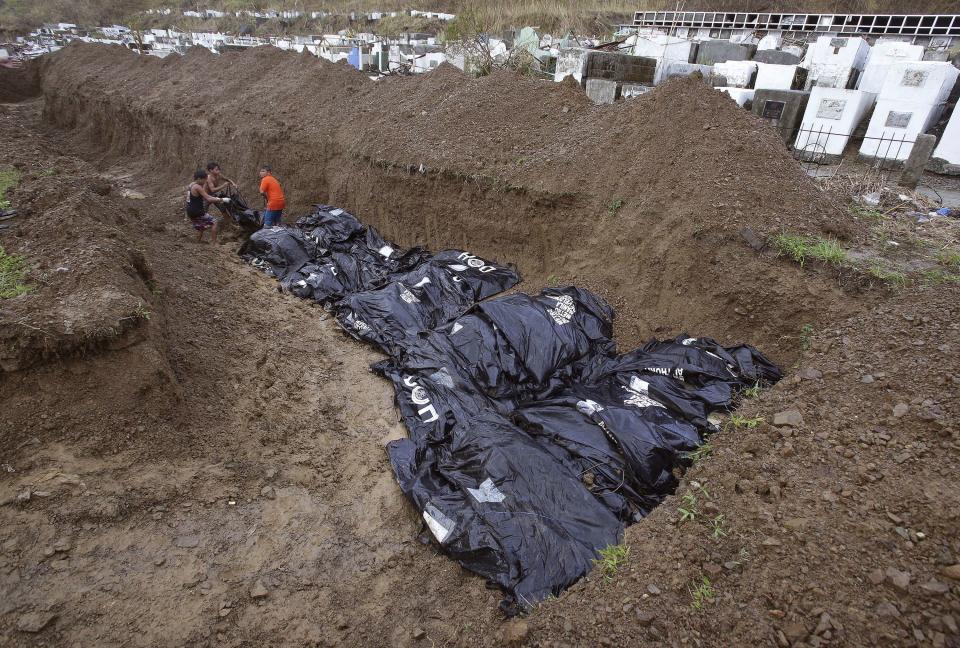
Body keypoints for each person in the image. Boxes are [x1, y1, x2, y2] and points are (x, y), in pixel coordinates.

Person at [186, 169, 229, 243]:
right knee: (214, 222)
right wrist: (222, 199)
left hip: (190, 210)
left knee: (200, 227)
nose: (205, 181)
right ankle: (214, 244)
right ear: (199, 179)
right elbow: (208, 198)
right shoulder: (197, 187)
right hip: (197, 211)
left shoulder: (191, 184)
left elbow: (196, 197)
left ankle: (197, 243)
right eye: (204, 179)